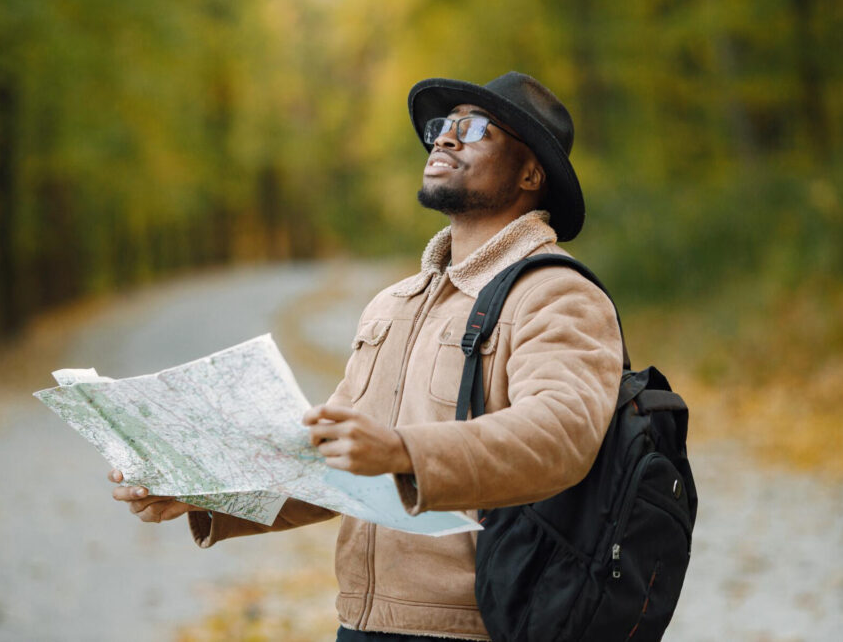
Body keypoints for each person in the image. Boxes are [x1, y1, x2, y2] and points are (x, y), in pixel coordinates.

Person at [108, 72, 624, 641]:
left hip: (481, 626)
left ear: (531, 173)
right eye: (441, 127)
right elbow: (337, 466)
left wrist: (402, 451)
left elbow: (561, 434)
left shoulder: (557, 294)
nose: (445, 140)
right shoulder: (393, 304)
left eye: (474, 128)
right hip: (362, 624)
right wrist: (203, 492)